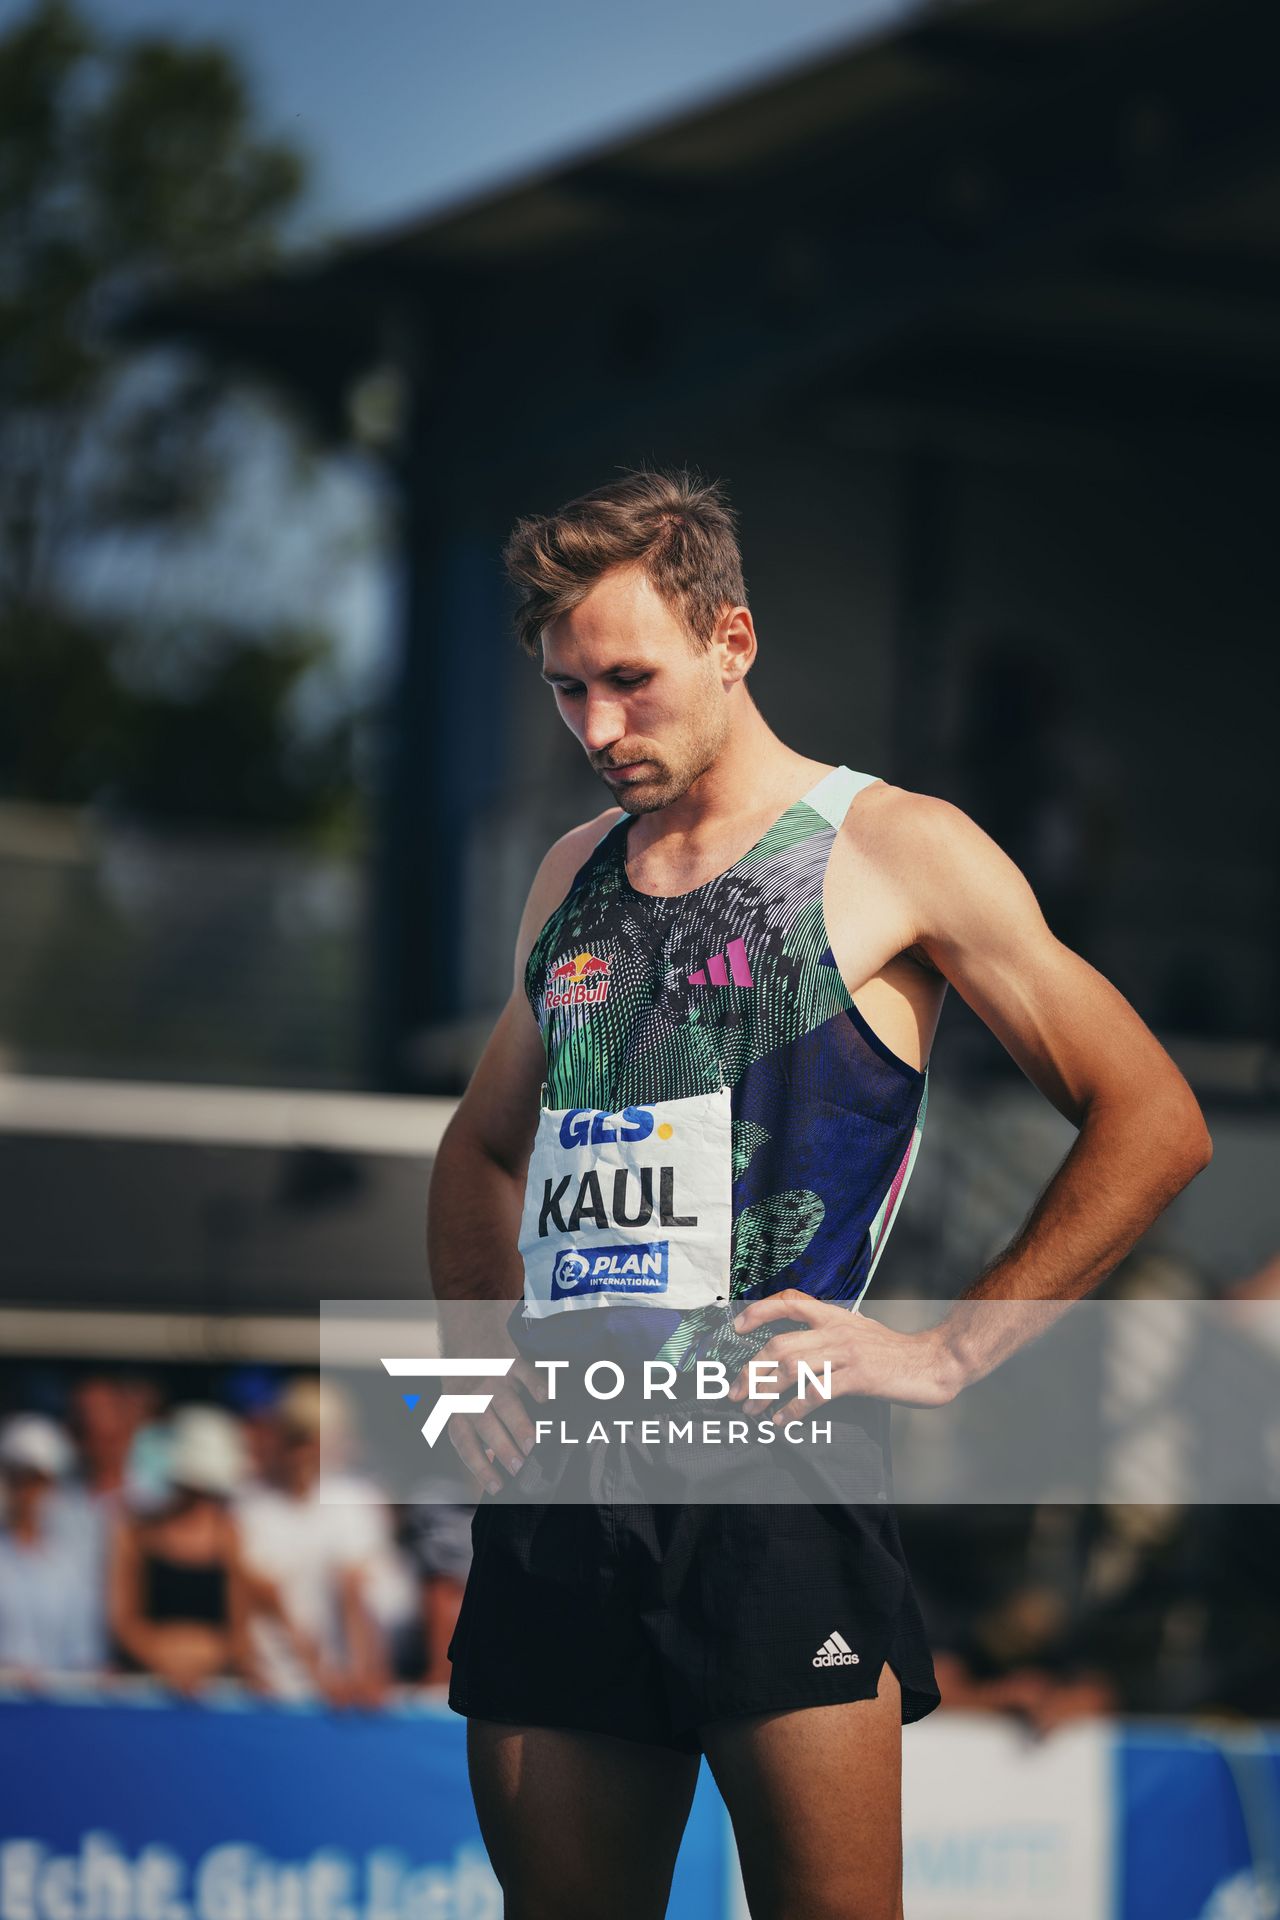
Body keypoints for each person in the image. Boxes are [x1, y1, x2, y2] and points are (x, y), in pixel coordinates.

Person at [428, 467, 1213, 1920]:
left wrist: (953, 1351)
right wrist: (476, 1352)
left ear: (731, 641)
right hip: (566, 1490)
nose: (596, 728)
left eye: (629, 680)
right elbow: (480, 1151)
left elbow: (1153, 1119)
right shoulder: (570, 876)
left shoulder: (892, 846)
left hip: (770, 1484)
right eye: (564, 690)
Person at [107, 1403, 256, 1697]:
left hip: (210, 1694)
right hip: (146, 1693)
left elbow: (239, 1630)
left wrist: (202, 1666)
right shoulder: (135, 1534)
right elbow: (122, 1620)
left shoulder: (229, 1537)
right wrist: (166, 1664)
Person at [0, 1413, 104, 1685]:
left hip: (51, 1706)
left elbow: (83, 1651)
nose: (27, 1492)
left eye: (37, 1481)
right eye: (17, 1479)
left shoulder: (70, 1565)